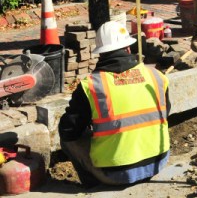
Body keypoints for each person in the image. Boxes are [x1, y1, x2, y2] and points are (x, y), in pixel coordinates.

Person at [58, 21, 170, 187]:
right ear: (128, 49)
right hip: (157, 163)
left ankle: (92, 184)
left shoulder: (91, 85)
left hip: (116, 174)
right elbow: (165, 113)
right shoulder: (156, 76)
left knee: (70, 139)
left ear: (100, 54)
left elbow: (68, 131)